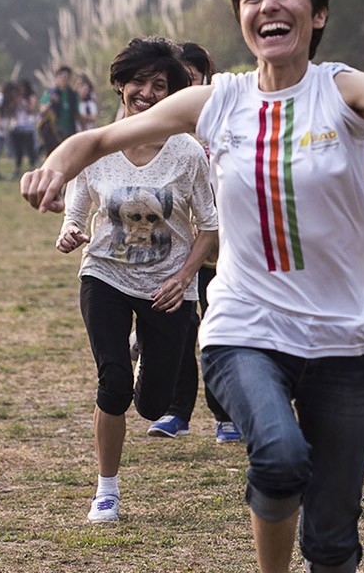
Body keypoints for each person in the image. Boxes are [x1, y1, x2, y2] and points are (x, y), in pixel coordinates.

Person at [21, 0, 364, 573]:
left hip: (341, 333)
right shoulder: (218, 100)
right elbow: (100, 140)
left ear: (318, 13)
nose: (269, 6)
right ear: (242, 17)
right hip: (245, 326)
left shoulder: (340, 89)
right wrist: (56, 166)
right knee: (280, 456)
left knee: (332, 544)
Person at [51, 37, 219, 524]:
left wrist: (184, 278)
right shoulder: (98, 146)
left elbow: (209, 227)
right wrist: (69, 232)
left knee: (152, 405)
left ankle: (144, 352)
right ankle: (106, 490)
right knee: (113, 383)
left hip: (168, 286)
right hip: (104, 275)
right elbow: (76, 210)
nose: (147, 92)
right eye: (139, 82)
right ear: (120, 85)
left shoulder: (187, 152)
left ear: (173, 93)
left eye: (159, 85)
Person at [146, 41, 243, 444]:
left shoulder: (224, 122)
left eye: (191, 78)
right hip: (176, 249)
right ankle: (176, 411)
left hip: (224, 249)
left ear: (206, 79)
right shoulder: (158, 128)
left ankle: (227, 414)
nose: (185, 88)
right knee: (182, 333)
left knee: (218, 332)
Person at [40, 65, 80, 151]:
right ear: (57, 78)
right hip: (54, 130)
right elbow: (42, 110)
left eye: (67, 77)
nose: (64, 80)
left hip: (69, 128)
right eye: (62, 77)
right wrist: (51, 102)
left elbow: (77, 113)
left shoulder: (73, 95)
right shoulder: (50, 93)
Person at [9, 79, 39, 177]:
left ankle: (32, 167)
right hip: (16, 126)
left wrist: (22, 103)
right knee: (18, 150)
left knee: (30, 149)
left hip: (27, 127)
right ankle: (17, 168)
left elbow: (32, 110)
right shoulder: (15, 97)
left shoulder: (31, 97)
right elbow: (10, 110)